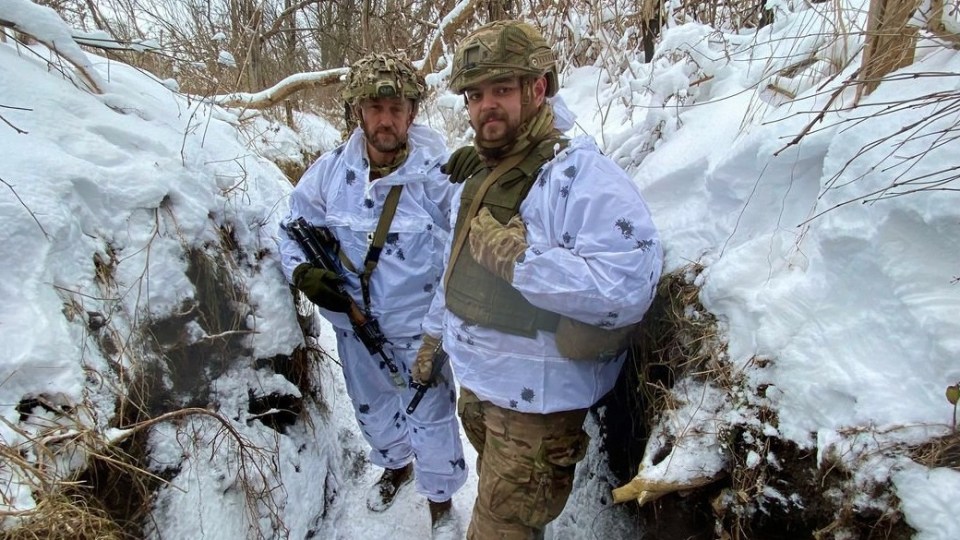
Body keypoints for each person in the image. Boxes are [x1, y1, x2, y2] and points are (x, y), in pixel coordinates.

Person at [413, 20, 664, 539]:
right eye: (476, 95)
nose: (487, 106)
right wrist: (435, 334)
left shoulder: (577, 175)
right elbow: (455, 264)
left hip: (534, 411)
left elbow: (628, 288)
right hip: (482, 390)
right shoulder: (488, 168)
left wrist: (521, 262)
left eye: (502, 90)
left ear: (538, 88)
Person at [278, 53, 466, 536]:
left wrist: (437, 330)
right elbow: (289, 229)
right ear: (357, 111)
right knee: (374, 408)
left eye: (396, 108)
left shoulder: (437, 178)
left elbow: (459, 257)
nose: (385, 119)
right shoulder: (330, 174)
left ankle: (441, 503)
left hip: (419, 328)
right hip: (355, 326)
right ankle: (395, 466)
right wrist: (303, 271)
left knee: (432, 412)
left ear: (411, 114)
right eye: (374, 107)